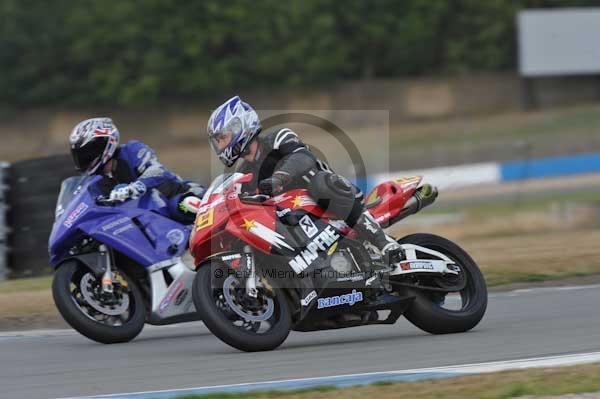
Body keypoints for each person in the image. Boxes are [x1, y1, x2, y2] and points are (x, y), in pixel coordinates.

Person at [206, 96, 402, 265]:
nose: (220, 145)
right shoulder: (244, 174)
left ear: (240, 126)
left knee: (320, 183)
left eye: (222, 138)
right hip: (300, 222)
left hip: (334, 202)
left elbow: (303, 158)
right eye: (217, 141)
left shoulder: (278, 138)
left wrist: (279, 178)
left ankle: (383, 242)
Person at [69, 117, 205, 222]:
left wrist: (136, 186)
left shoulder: (132, 150)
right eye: (80, 154)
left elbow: (157, 170)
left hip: (181, 195)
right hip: (145, 221)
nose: (84, 158)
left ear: (104, 144)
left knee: (182, 206)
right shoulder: (94, 182)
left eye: (88, 152)